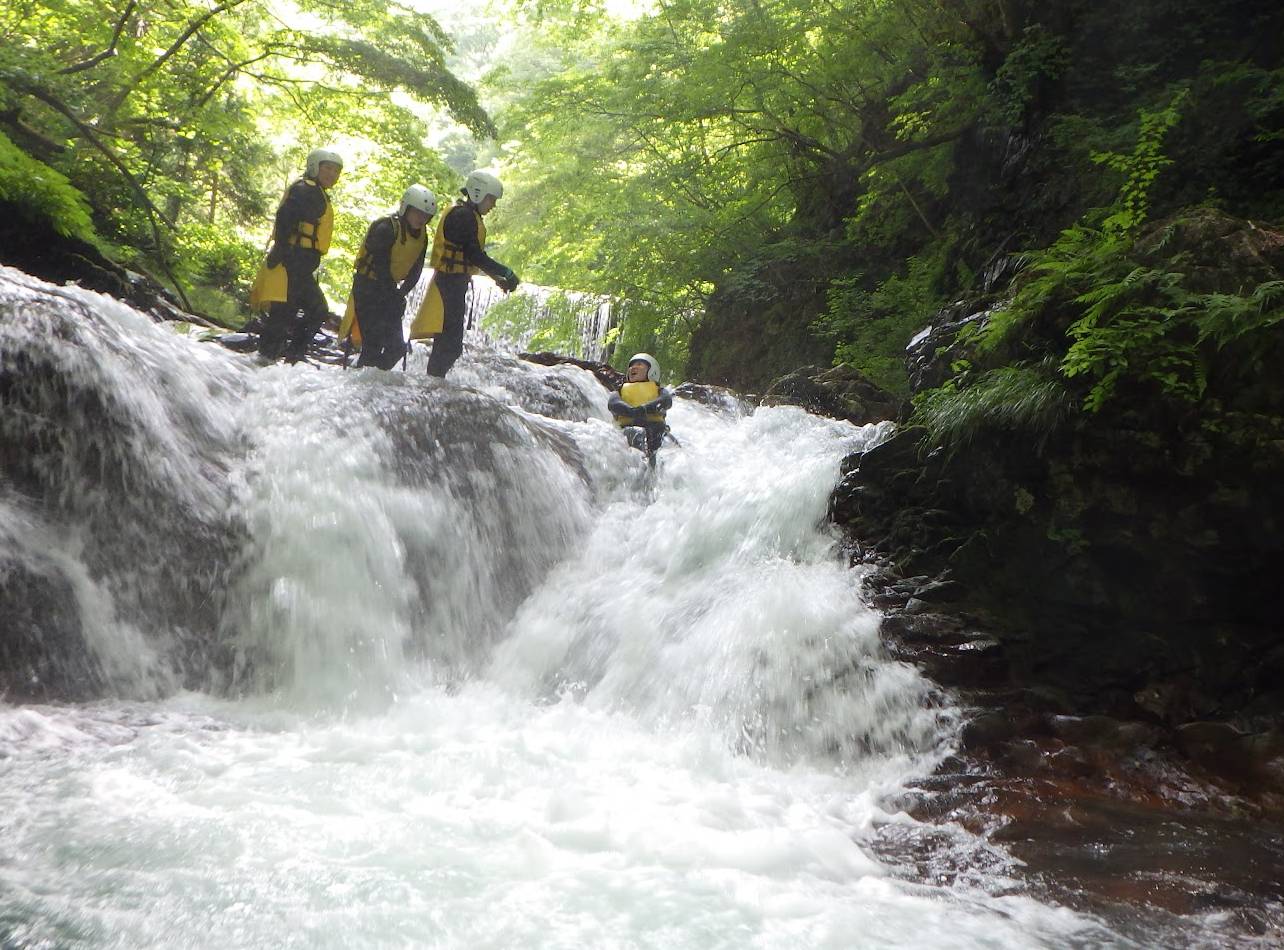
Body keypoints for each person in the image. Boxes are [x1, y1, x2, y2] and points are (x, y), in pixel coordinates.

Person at [409, 170, 519, 378]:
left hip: (453, 283)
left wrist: (497, 278)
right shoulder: (463, 216)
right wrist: (505, 272)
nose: (493, 205)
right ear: (478, 194)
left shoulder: (467, 214)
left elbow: (469, 255)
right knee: (450, 345)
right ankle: (432, 382)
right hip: (448, 285)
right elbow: (474, 254)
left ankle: (433, 382)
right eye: (491, 199)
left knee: (449, 344)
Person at [249, 148, 343, 363]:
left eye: (336, 171)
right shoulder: (305, 190)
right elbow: (284, 217)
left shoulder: (316, 192)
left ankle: (285, 357)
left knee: (307, 311)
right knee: (298, 312)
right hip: (291, 261)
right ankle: (274, 358)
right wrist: (282, 249)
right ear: (314, 167)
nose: (332, 174)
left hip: (300, 264)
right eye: (327, 168)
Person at [339, 184, 437, 369]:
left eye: (425, 215)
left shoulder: (422, 237)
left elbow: (416, 270)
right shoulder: (385, 228)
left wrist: (402, 293)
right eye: (417, 213)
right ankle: (362, 380)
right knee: (373, 345)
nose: (421, 219)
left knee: (397, 348)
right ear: (406, 208)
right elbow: (381, 266)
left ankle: (373, 377)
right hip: (368, 288)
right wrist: (394, 295)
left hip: (389, 291)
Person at [608, 352, 674, 457]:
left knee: (671, 444)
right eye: (631, 366)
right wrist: (629, 411)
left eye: (639, 364)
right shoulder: (620, 390)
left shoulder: (659, 390)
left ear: (652, 371)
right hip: (627, 431)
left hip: (656, 430)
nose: (633, 368)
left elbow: (666, 401)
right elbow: (613, 404)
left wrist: (645, 409)